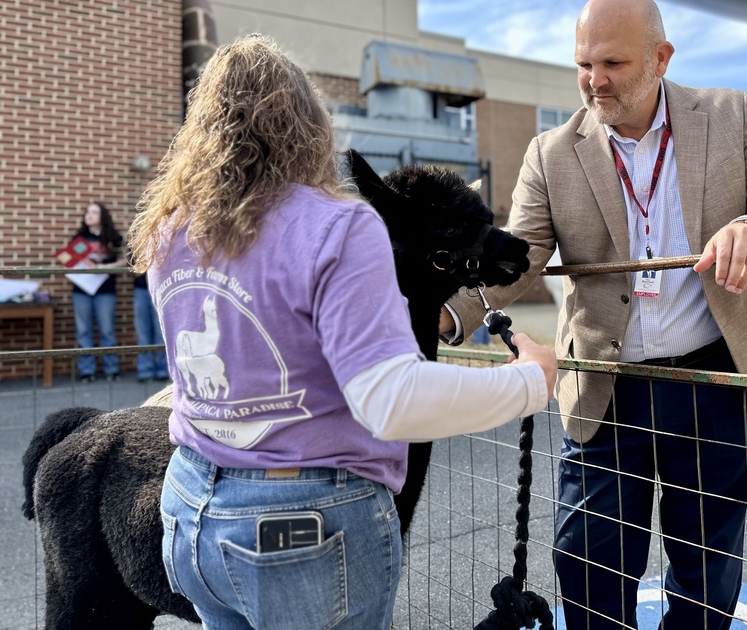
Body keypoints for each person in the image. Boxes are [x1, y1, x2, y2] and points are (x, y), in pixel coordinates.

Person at [127, 35, 556, 630]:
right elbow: (391, 399)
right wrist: (530, 383)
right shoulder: (338, 225)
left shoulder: (170, 231)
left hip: (193, 506)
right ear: (307, 125)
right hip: (302, 522)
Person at [441, 0, 747, 630]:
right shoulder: (551, 153)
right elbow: (514, 260)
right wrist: (443, 318)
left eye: (612, 64)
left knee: (705, 577)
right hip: (605, 391)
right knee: (586, 571)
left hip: (715, 381)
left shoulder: (731, 116)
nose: (594, 81)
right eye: (584, 64)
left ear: (661, 57)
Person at [68, 202, 126, 382]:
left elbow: (125, 260)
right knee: (83, 331)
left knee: (107, 330)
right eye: (87, 212)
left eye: (94, 212)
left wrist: (104, 267)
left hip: (105, 290)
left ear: (103, 216)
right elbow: (69, 259)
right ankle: (87, 371)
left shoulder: (113, 238)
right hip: (81, 290)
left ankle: (111, 369)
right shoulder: (79, 239)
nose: (89, 215)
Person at [133, 270, 168, 382]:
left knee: (161, 333)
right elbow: (133, 269)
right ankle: (145, 371)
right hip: (141, 288)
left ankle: (163, 371)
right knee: (142, 334)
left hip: (161, 287)